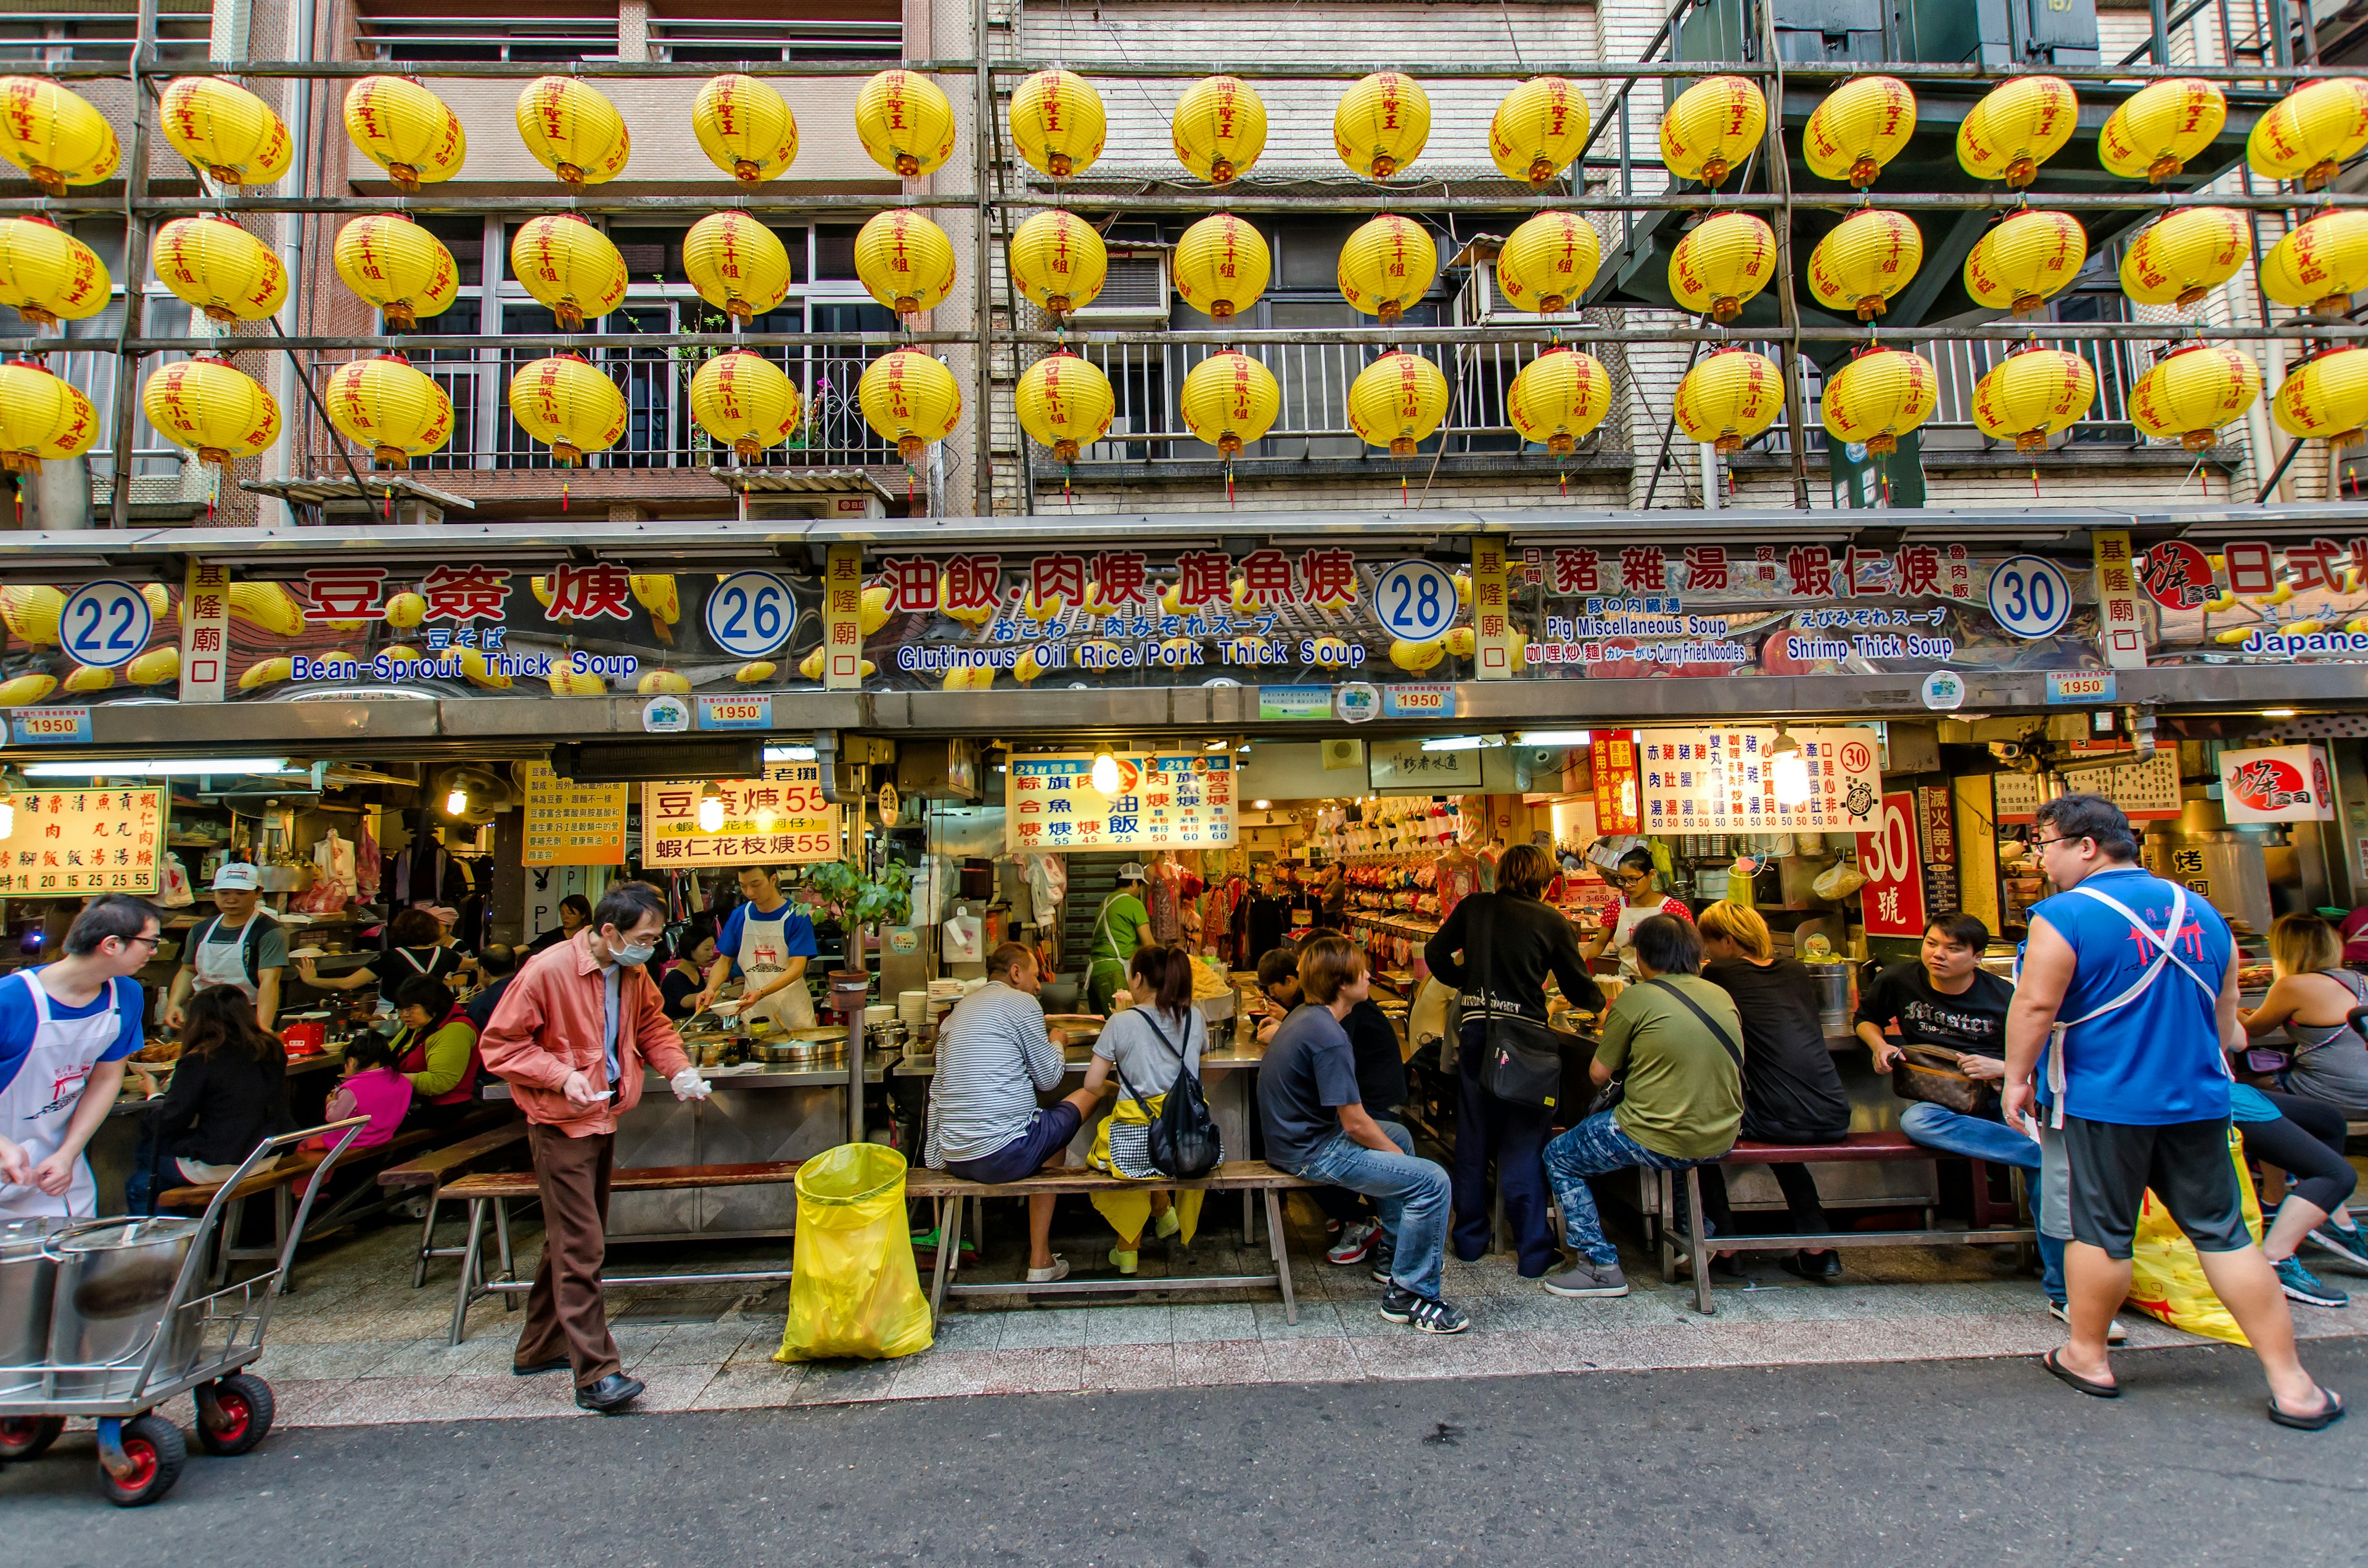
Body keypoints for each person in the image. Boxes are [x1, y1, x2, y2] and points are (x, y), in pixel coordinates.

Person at [2004, 793, 2339, 1429]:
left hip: (2106, 1100)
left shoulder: (2064, 913)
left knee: (2101, 1231)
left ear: (2085, 845)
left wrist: (2016, 1077)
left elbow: (2036, 1006)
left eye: (2045, 845)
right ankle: (2294, 1383)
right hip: (2198, 1098)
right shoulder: (2204, 910)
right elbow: (2228, 1013)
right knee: (2226, 1234)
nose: (2041, 860)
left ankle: (2088, 1354)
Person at [479, 880, 712, 1414]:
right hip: (560, 1122)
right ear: (609, 930)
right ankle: (596, 1373)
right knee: (582, 1244)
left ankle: (540, 1345)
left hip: (604, 1114)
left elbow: (653, 1025)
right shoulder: (547, 969)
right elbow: (500, 1044)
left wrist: (679, 1070)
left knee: (568, 1236)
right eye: (646, 936)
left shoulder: (631, 971)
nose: (652, 947)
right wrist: (561, 1076)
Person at [1856, 912, 2091, 1333]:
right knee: (1918, 1121)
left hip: (2001, 1101)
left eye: (1952, 948)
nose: (1938, 954)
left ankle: (2063, 1291)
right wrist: (1880, 1046)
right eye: (1931, 943)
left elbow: (2043, 1046)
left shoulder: (2003, 995)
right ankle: (2035, 1153)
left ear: (1978, 956)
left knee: (2046, 1183)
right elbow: (1866, 1017)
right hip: (1939, 1102)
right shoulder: (1898, 979)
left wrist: (2000, 1066)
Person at [1259, 934, 1466, 1333]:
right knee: (1434, 1180)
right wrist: (1403, 1164)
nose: (1371, 974)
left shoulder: (1309, 1016)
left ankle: (1392, 1255)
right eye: (1362, 969)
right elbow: (1355, 1122)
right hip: (1312, 1149)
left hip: (1300, 1138)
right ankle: (1411, 1294)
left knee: (1402, 1138)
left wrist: (1397, 1153)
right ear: (1341, 982)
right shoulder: (1330, 1036)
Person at [1423, 843, 1606, 1279]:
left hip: (1475, 1033)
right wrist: (1601, 1006)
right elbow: (1578, 985)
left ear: (1501, 874)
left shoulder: (1474, 907)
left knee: (1473, 1135)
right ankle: (1533, 1251)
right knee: (1523, 1140)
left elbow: (1434, 955)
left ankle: (1469, 1240)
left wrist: (1467, 981)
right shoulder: (1550, 920)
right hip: (1523, 1039)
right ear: (1544, 881)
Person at [1540, 914, 1743, 1299]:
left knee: (1559, 1156)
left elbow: (1600, 1073)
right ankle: (1697, 1235)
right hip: (1722, 1132)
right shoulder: (1720, 994)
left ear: (1646, 956)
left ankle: (1598, 1266)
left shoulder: (1637, 997)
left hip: (1654, 1133)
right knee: (1680, 1156)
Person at [921, 942, 1098, 1284]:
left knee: (1051, 1143)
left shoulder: (958, 1012)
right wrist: (1058, 1040)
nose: (1038, 985)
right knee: (1090, 1092)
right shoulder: (1023, 1003)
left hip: (955, 1158)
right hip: (1004, 1155)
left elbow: (937, 1092)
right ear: (1016, 973)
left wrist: (936, 1161)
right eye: (1035, 976)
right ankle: (1039, 1259)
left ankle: (1041, 1256)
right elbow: (1049, 1079)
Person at [1695, 901, 1849, 1281]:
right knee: (1781, 1124)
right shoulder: (1795, 970)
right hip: (1831, 1109)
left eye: (1708, 943)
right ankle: (1817, 1244)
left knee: (1697, 1135)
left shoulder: (1720, 975)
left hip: (1777, 1118)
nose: (1706, 952)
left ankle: (1724, 1245)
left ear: (1727, 941)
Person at [0, 894, 158, 1220]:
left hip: (56, 1169)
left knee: (67, 1264)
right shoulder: (11, 1000)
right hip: (5, 1152)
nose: (154, 951)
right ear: (112, 944)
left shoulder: (126, 995)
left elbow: (106, 1077)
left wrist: (69, 1154)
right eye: (150, 942)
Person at [1080, 943, 1206, 1275]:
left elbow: (1092, 1085)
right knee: (1153, 1154)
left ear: (1138, 979)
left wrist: (1119, 1090)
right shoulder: (1195, 1016)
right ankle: (1164, 1214)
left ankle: (1128, 1249)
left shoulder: (1120, 1022)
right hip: (1188, 1139)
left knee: (1110, 1156)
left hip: (1134, 1143)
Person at [1297, 927, 1413, 1270]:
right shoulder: (1333, 1017)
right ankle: (1364, 1222)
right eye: (1361, 969)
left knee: (1392, 1148)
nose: (1369, 975)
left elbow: (1355, 1121)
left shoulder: (1347, 1014)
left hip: (1376, 1101)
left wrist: (1400, 1161)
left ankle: (1377, 1233)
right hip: (1361, 1103)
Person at [128, 985, 292, 1212]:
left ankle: (178, 1237)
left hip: (225, 1162)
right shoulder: (271, 1047)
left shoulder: (201, 1058)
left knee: (146, 1159)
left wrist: (153, 1092)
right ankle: (194, 1225)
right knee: (152, 1164)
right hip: (267, 1153)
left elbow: (171, 1120)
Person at [2232, 1082, 2361, 1307]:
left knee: (2329, 1121)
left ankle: (2330, 1219)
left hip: (2222, 1088)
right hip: (2207, 1094)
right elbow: (2238, 1045)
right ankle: (2275, 1259)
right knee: (2339, 1176)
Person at [2240, 912, 2368, 1119]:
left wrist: (2233, 1010)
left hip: (2331, 1096)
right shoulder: (2363, 980)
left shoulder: (2291, 985)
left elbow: (2253, 1030)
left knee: (2237, 1085)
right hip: (2365, 1097)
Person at [162, 861, 287, 1033]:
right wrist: (174, 1004)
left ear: (258, 893)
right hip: (203, 1014)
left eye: (241, 893)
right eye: (224, 893)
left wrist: (262, 1026)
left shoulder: (269, 931)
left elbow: (270, 980)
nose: (232, 899)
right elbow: (188, 970)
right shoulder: (201, 929)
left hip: (246, 1015)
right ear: (215, 893)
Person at [696, 867, 820, 1032]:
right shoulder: (739, 916)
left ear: (773, 880)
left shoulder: (796, 915)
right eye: (743, 886)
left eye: (756, 885)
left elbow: (797, 968)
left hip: (794, 1014)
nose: (749, 892)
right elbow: (724, 962)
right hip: (754, 1013)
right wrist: (710, 988)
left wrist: (761, 993)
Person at [297, 906, 467, 996]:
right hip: (431, 1020)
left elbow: (348, 983)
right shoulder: (445, 955)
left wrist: (312, 980)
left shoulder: (390, 957)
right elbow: (477, 964)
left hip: (394, 1018)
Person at [390, 975, 482, 1137]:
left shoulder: (455, 1030)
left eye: (411, 1009)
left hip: (445, 1107)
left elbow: (441, 1082)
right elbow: (389, 1054)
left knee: (375, 1126)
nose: (404, 1015)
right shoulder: (421, 1023)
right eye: (401, 1009)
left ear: (432, 1004)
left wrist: (390, 1079)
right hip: (414, 1102)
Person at [1581, 847, 1694, 974]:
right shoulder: (1616, 907)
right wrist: (1584, 952)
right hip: (1626, 980)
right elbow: (1599, 944)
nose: (1627, 885)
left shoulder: (1674, 908)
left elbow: (1690, 948)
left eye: (1633, 879)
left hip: (1664, 982)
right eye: (1622, 879)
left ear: (1651, 874)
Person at [1086, 864, 1156, 1016]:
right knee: (1124, 1025)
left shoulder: (1104, 903)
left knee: (1105, 1027)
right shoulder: (1133, 904)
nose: (1140, 890)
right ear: (1134, 882)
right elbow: (1149, 945)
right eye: (1141, 885)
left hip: (1095, 975)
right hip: (1114, 975)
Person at [462, 943, 520, 1033]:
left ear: (484, 972)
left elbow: (476, 1038)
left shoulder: (481, 1002)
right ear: (515, 965)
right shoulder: (530, 990)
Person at [657, 927, 712, 1021]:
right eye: (707, 949)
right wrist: (718, 993)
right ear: (690, 949)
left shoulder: (696, 971)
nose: (711, 954)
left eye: (712, 948)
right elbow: (685, 1002)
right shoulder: (674, 977)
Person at [527, 895, 592, 956]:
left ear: (583, 914)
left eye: (570, 913)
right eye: (562, 913)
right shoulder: (553, 936)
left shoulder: (593, 935)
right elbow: (531, 947)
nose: (565, 917)